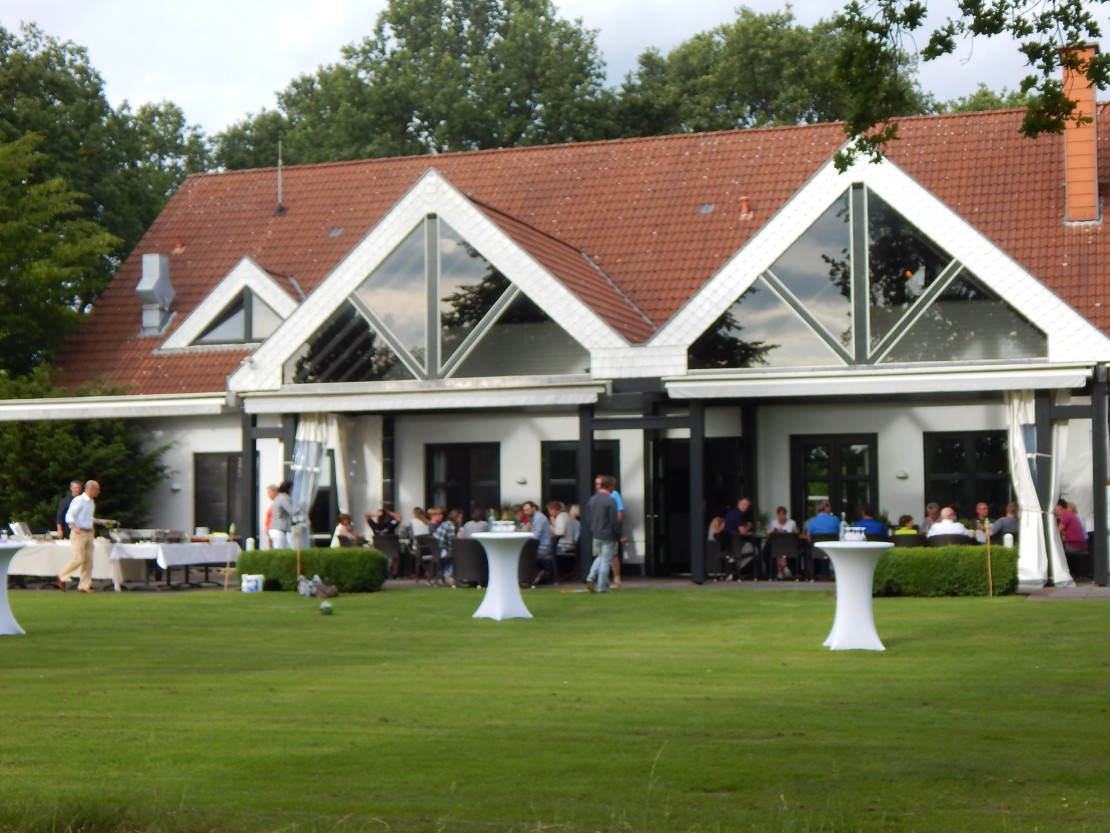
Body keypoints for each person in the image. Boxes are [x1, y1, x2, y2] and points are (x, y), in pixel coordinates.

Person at [58, 480, 114, 593]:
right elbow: (69, 516)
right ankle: (62, 575)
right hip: (79, 533)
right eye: (97, 489)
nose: (98, 492)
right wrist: (74, 528)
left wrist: (93, 526)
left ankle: (84, 585)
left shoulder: (91, 502)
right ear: (91, 489)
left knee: (88, 560)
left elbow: (87, 518)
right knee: (79, 558)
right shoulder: (79, 500)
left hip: (88, 533)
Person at [585, 475, 621, 593]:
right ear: (609, 486)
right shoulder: (611, 500)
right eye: (613, 486)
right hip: (608, 535)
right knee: (606, 560)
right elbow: (614, 520)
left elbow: (589, 517)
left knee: (600, 557)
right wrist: (619, 535)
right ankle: (602, 587)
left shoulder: (592, 499)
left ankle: (590, 576)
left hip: (596, 533)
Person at [523, 500, 554, 584]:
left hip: (543, 547)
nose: (526, 512)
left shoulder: (538, 518)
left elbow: (536, 535)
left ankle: (527, 578)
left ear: (534, 508)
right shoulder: (535, 517)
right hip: (541, 546)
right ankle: (531, 576)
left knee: (522, 553)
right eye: (525, 510)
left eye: (528, 509)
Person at [766, 506, 798, 580]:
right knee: (777, 551)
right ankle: (783, 568)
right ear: (777, 515)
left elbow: (795, 534)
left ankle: (781, 570)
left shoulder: (792, 523)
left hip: (788, 546)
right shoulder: (773, 523)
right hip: (776, 546)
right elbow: (769, 535)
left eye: (783, 514)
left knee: (781, 552)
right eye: (780, 514)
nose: (782, 516)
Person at [268, 481, 294, 549]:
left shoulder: (278, 498)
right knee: (280, 551)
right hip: (278, 530)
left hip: (277, 530)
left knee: (286, 549)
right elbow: (292, 512)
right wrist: (301, 507)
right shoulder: (283, 498)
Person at [261, 484, 279, 549]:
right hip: (270, 532)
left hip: (274, 532)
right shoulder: (274, 504)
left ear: (275, 492)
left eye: (269, 492)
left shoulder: (278, 504)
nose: (268, 495)